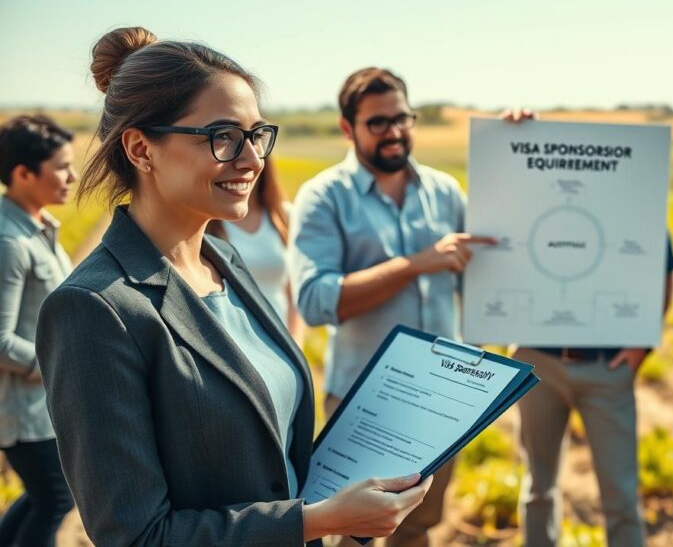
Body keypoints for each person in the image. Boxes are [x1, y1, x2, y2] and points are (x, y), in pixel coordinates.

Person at [34, 27, 431, 547]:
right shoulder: (94, 309)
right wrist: (320, 520)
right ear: (140, 149)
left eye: (256, 135)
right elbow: (136, 537)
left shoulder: (225, 261)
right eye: (222, 137)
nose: (251, 159)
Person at [288, 68, 530, 546]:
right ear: (346, 128)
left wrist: (519, 146)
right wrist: (415, 264)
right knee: (350, 535)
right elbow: (316, 302)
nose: (395, 131)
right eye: (378, 122)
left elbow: (495, 263)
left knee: (418, 526)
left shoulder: (445, 191)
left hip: (444, 405)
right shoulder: (323, 197)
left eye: (402, 118)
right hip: (362, 402)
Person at [514, 236, 673, 547]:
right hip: (537, 363)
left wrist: (642, 345)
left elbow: (662, 271)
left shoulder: (634, 199)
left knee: (620, 492)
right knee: (538, 483)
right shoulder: (532, 193)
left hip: (607, 368)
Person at [0, 114, 76, 547]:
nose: (73, 176)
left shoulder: (38, 226)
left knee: (44, 498)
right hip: (23, 412)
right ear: (23, 174)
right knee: (55, 499)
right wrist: (63, 366)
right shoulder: (9, 242)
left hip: (42, 405)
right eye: (61, 167)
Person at [207, 158, 305, 343]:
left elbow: (295, 295)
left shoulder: (284, 217)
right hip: (234, 344)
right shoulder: (209, 222)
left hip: (280, 340)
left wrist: (295, 346)